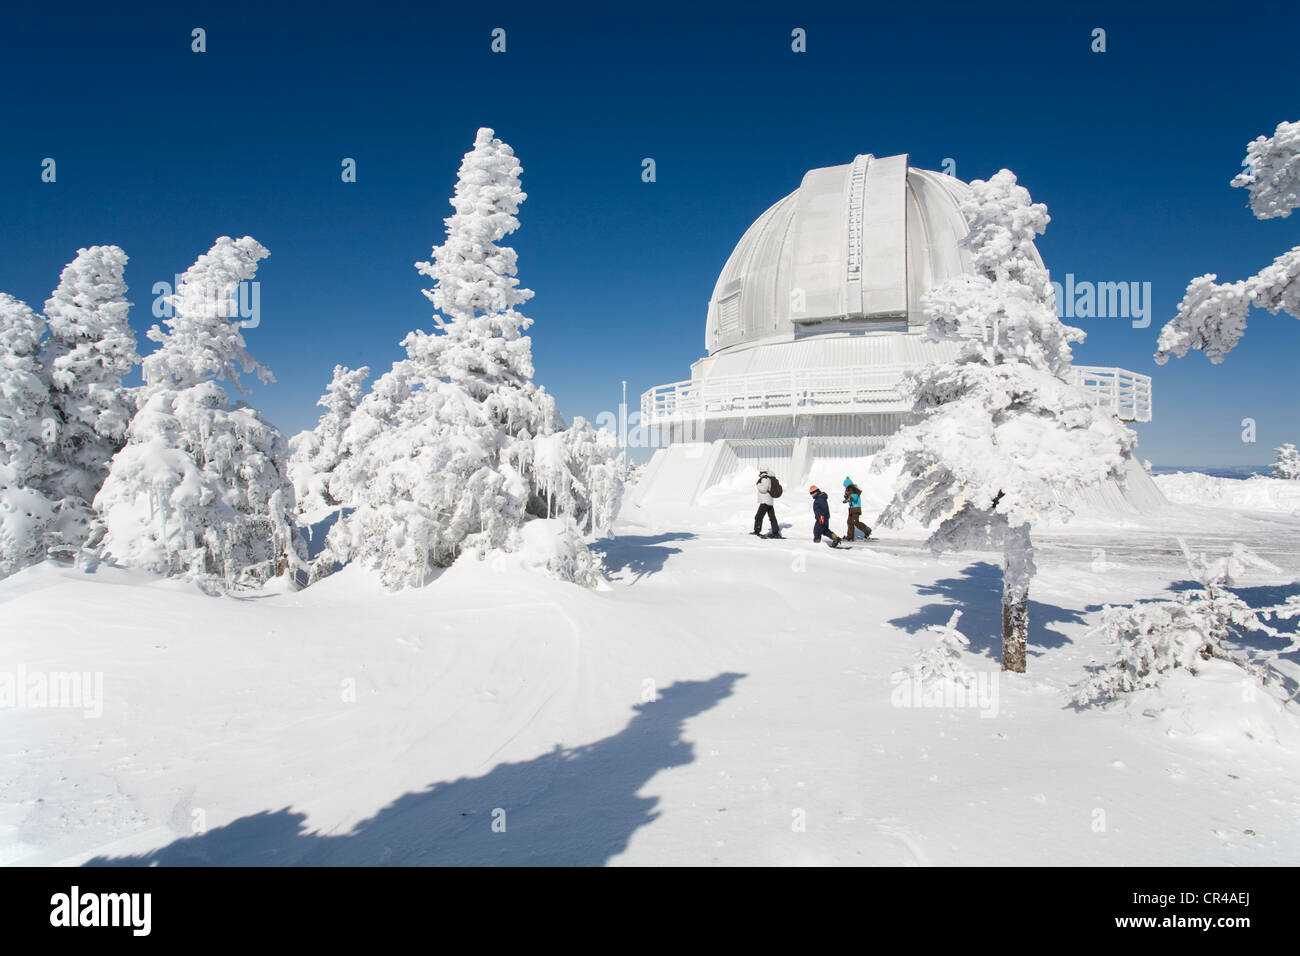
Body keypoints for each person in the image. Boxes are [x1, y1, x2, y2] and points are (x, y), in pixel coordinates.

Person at [753, 469, 781, 537]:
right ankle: (775, 532)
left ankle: (757, 531)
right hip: (769, 500)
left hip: (765, 501)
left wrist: (758, 484)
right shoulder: (769, 478)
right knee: (772, 517)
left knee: (758, 516)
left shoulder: (765, 478)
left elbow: (764, 489)